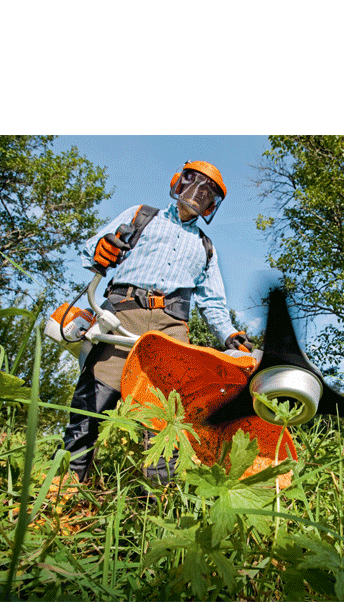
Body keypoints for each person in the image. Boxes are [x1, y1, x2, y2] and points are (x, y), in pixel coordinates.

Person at [62, 160, 253, 486]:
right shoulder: (141, 216)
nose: (198, 193)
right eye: (193, 183)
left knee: (166, 415)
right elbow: (90, 249)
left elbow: (213, 303)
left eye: (208, 192)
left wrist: (230, 335)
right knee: (93, 401)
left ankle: (158, 497)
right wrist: (102, 248)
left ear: (212, 205)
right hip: (123, 313)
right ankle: (68, 484)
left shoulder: (206, 248)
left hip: (171, 329)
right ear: (179, 182)